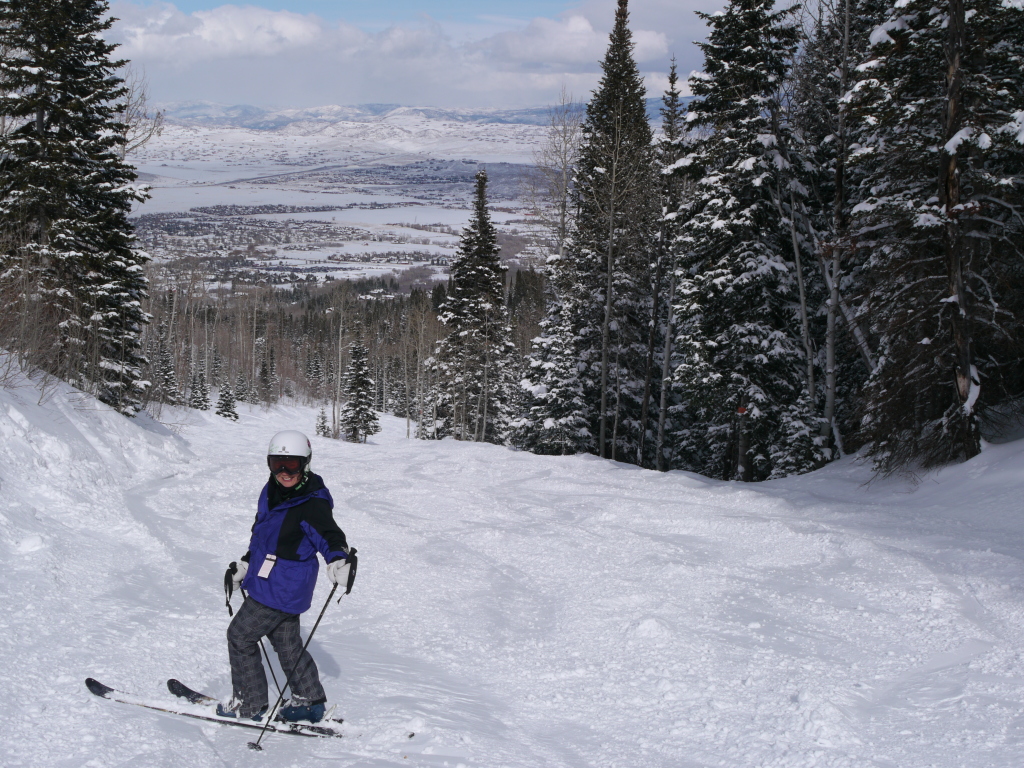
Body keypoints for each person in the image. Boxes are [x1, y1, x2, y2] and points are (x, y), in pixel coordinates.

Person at [220, 429, 351, 724]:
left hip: (281, 587)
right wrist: (246, 563)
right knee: (287, 645)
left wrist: (338, 559)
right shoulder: (270, 491)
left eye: (291, 464)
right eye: (277, 463)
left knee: (240, 636)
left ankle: (250, 703)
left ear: (305, 463)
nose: (284, 472)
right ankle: (309, 701)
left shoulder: (312, 502)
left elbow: (329, 535)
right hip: (273, 582)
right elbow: (262, 535)